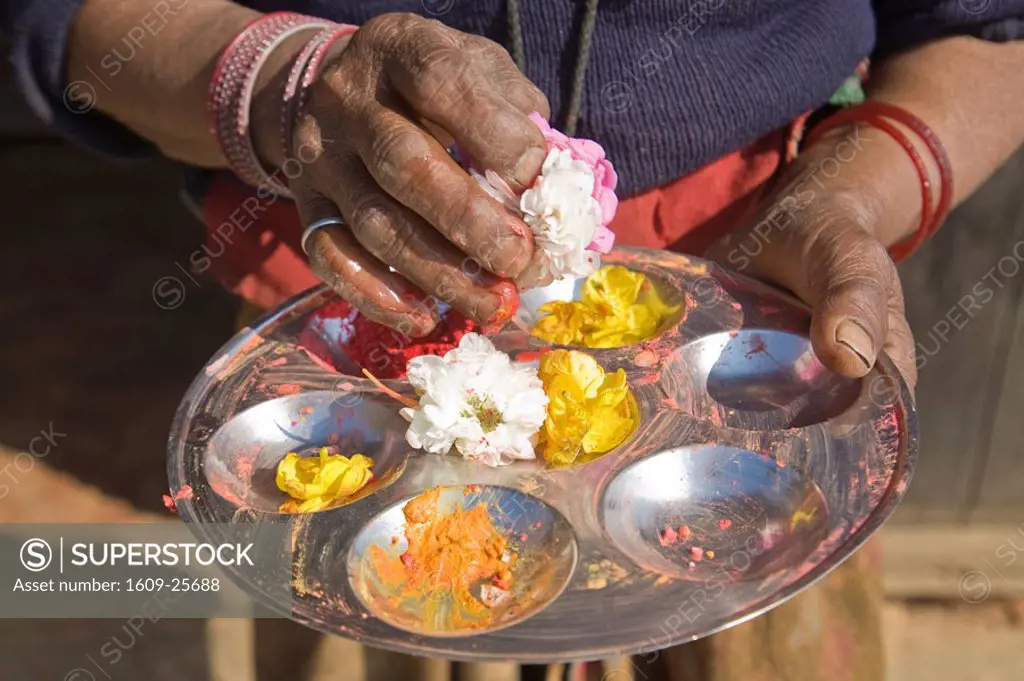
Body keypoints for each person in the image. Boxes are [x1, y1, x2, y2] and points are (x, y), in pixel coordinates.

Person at [3, 1, 1023, 680]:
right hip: (356, 305)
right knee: (377, 627)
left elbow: (987, 25)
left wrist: (853, 195)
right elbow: (62, 20)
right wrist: (285, 86)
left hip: (750, 319)